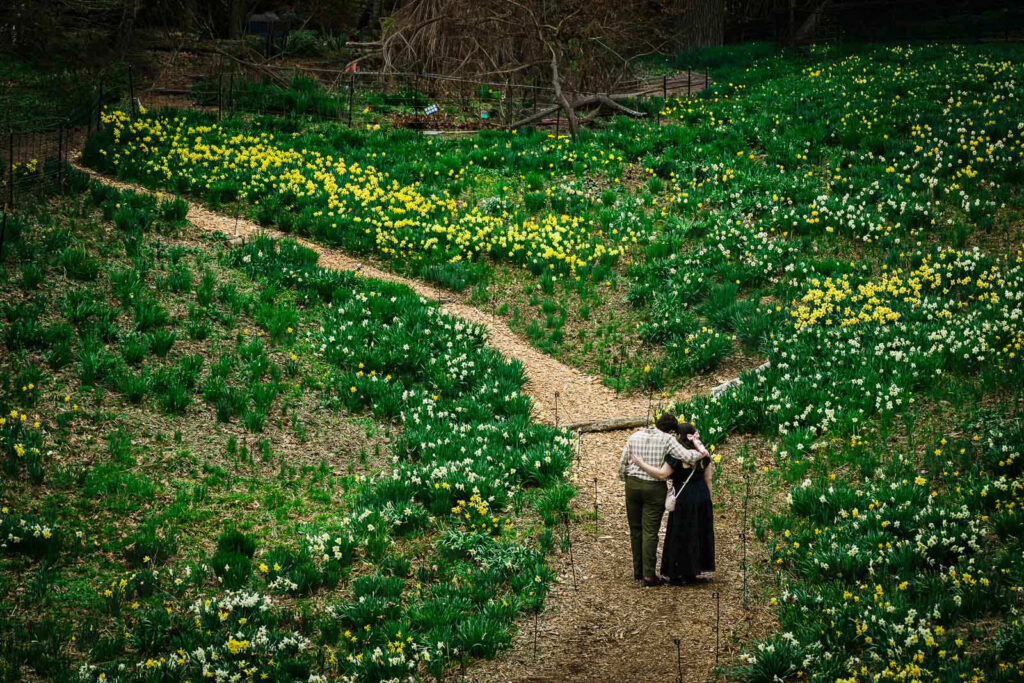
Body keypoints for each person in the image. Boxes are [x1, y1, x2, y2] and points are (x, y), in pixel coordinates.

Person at [619, 413, 706, 587]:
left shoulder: (635, 435)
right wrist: (702, 452)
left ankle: (638, 571)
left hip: (632, 486)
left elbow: (623, 463)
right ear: (672, 430)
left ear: (657, 423)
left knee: (635, 529)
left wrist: (626, 479)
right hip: (654, 487)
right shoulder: (667, 440)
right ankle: (649, 575)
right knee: (650, 531)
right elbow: (687, 456)